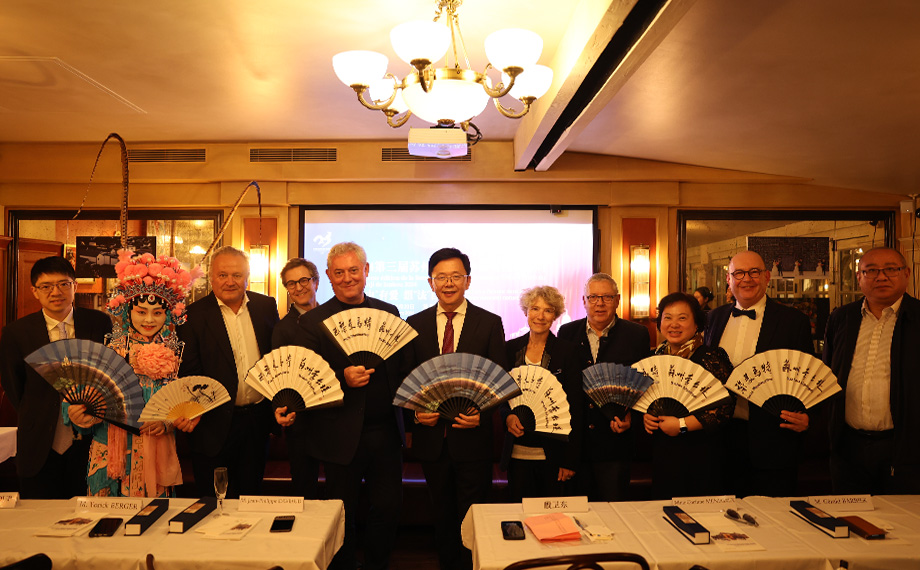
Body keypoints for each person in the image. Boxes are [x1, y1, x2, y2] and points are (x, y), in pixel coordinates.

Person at [297, 242, 404, 570]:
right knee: (341, 511)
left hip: (386, 433)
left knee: (387, 508)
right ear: (328, 275)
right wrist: (341, 377)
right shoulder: (313, 321)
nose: (347, 278)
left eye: (354, 270)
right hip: (338, 434)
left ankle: (377, 565)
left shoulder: (389, 312)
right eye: (339, 272)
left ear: (366, 271)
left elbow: (399, 369)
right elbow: (306, 375)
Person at [66, 250, 201, 496]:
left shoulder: (178, 353)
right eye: (141, 312)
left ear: (168, 315)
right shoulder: (108, 351)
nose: (149, 319)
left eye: (157, 312)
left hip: (156, 448)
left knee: (152, 514)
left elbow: (184, 403)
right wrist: (80, 414)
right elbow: (84, 401)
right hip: (110, 449)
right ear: (128, 312)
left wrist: (169, 422)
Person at [406, 247, 506, 570]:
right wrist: (416, 414)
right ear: (430, 283)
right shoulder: (414, 323)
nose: (448, 284)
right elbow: (407, 379)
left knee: (473, 516)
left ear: (468, 281)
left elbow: (499, 380)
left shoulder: (489, 323)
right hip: (432, 440)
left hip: (473, 440)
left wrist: (482, 415)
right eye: (441, 277)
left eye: (455, 277)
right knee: (442, 514)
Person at [704, 250, 813, 496]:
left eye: (754, 272)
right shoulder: (713, 318)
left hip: (773, 438)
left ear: (766, 277)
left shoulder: (793, 321)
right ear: (729, 279)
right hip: (720, 439)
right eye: (739, 273)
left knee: (774, 513)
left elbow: (808, 375)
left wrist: (807, 416)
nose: (747, 279)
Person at [0, 256, 111, 499]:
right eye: (46, 286)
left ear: (75, 286)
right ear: (35, 291)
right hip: (40, 441)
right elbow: (14, 386)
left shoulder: (99, 323)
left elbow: (109, 375)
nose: (56, 292)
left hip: (91, 441)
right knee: (39, 514)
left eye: (63, 284)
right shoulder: (17, 333)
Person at [177, 246, 280, 498]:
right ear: (211, 277)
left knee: (250, 499)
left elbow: (276, 358)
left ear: (247, 277)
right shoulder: (193, 316)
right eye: (223, 275)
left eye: (237, 275)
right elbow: (190, 371)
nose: (230, 282)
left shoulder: (266, 306)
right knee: (214, 501)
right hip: (212, 425)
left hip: (256, 423)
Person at [823, 247, 920, 494]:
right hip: (848, 447)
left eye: (891, 269)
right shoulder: (841, 318)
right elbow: (826, 374)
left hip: (906, 448)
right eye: (871, 271)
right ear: (859, 277)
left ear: (907, 273)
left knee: (903, 516)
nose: (881, 276)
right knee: (851, 515)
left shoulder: (917, 317)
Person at [557, 273, 650, 501]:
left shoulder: (637, 334)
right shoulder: (567, 333)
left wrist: (631, 416)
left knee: (614, 510)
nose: (600, 303)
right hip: (576, 444)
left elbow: (645, 384)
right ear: (584, 301)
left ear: (617, 300)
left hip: (614, 444)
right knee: (577, 511)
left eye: (607, 297)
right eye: (593, 297)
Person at [642, 292, 734, 499]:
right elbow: (647, 400)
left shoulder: (710, 357)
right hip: (664, 451)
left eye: (682, 318)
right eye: (668, 317)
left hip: (700, 451)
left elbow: (725, 408)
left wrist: (682, 425)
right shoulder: (655, 358)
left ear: (696, 324)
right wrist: (647, 417)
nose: (674, 324)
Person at [502, 286, 583, 501]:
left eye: (548, 310)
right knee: (520, 512)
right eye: (535, 309)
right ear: (526, 312)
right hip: (516, 452)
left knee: (551, 515)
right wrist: (508, 417)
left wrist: (569, 460)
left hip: (554, 455)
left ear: (555, 316)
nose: (540, 316)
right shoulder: (509, 349)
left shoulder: (568, 352)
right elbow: (500, 397)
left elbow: (576, 407)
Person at [271, 257, 321, 499]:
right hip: (300, 420)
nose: (299, 288)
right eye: (291, 284)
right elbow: (279, 376)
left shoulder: (335, 318)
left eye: (304, 280)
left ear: (316, 282)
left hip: (338, 419)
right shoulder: (282, 329)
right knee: (304, 489)